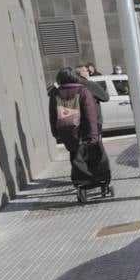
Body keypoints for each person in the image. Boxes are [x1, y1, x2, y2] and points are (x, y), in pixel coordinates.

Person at [48, 68, 112, 197]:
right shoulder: (83, 90)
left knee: (75, 155)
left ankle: (81, 181)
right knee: (93, 154)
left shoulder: (55, 94)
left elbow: (53, 115)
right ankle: (98, 179)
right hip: (85, 130)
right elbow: (90, 114)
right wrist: (93, 134)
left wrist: (55, 133)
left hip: (67, 131)